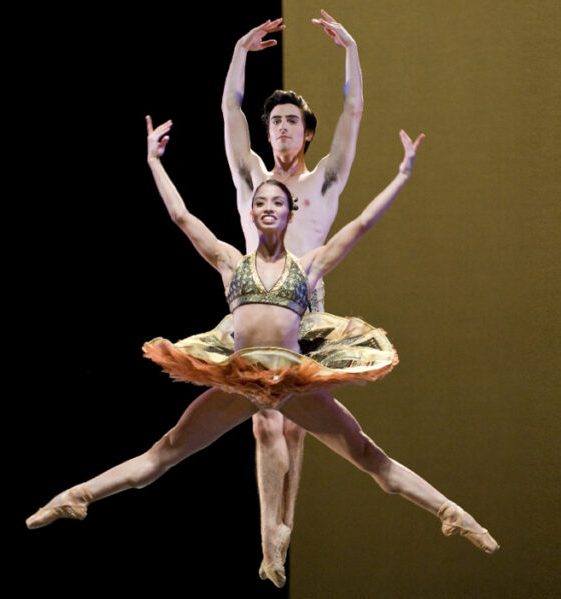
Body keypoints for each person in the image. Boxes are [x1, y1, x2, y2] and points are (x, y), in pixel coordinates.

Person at [24, 117, 499, 587]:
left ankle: (452, 513)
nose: (269, 207)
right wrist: (154, 162)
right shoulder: (232, 262)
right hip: (241, 380)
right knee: (165, 451)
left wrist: (401, 175)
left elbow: (360, 224)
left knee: (367, 455)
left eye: (278, 202)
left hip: (293, 385)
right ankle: (77, 495)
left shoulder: (308, 266)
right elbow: (182, 218)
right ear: (252, 215)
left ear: (290, 214)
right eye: (261, 202)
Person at [220, 12, 364, 581]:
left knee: (296, 422)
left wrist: (351, 50)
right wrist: (238, 49)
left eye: (291, 122)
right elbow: (230, 111)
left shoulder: (324, 181)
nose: (280, 129)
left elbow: (353, 113)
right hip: (256, 308)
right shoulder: (250, 179)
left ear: (306, 133)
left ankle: (284, 531)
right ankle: (269, 541)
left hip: (308, 306)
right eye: (274, 121)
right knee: (264, 422)